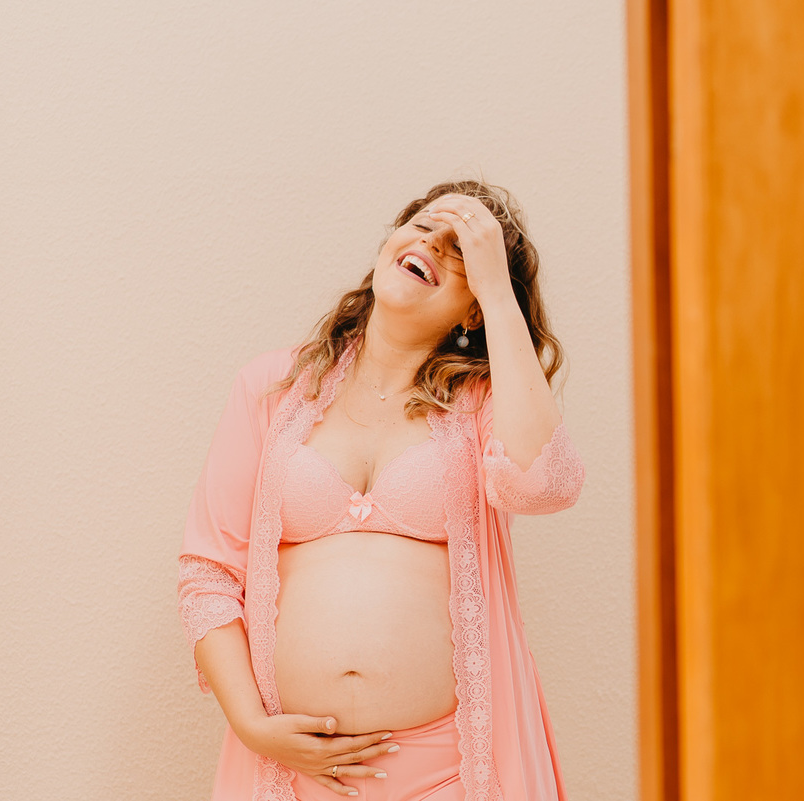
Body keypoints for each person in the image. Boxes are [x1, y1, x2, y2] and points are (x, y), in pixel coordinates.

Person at [177, 179, 586, 801]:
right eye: (424, 226)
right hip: (292, 771)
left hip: (450, 770)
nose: (433, 245)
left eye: (463, 253)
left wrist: (500, 294)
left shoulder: (481, 407)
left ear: (473, 306)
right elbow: (209, 575)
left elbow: (544, 485)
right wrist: (252, 725)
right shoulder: (272, 388)